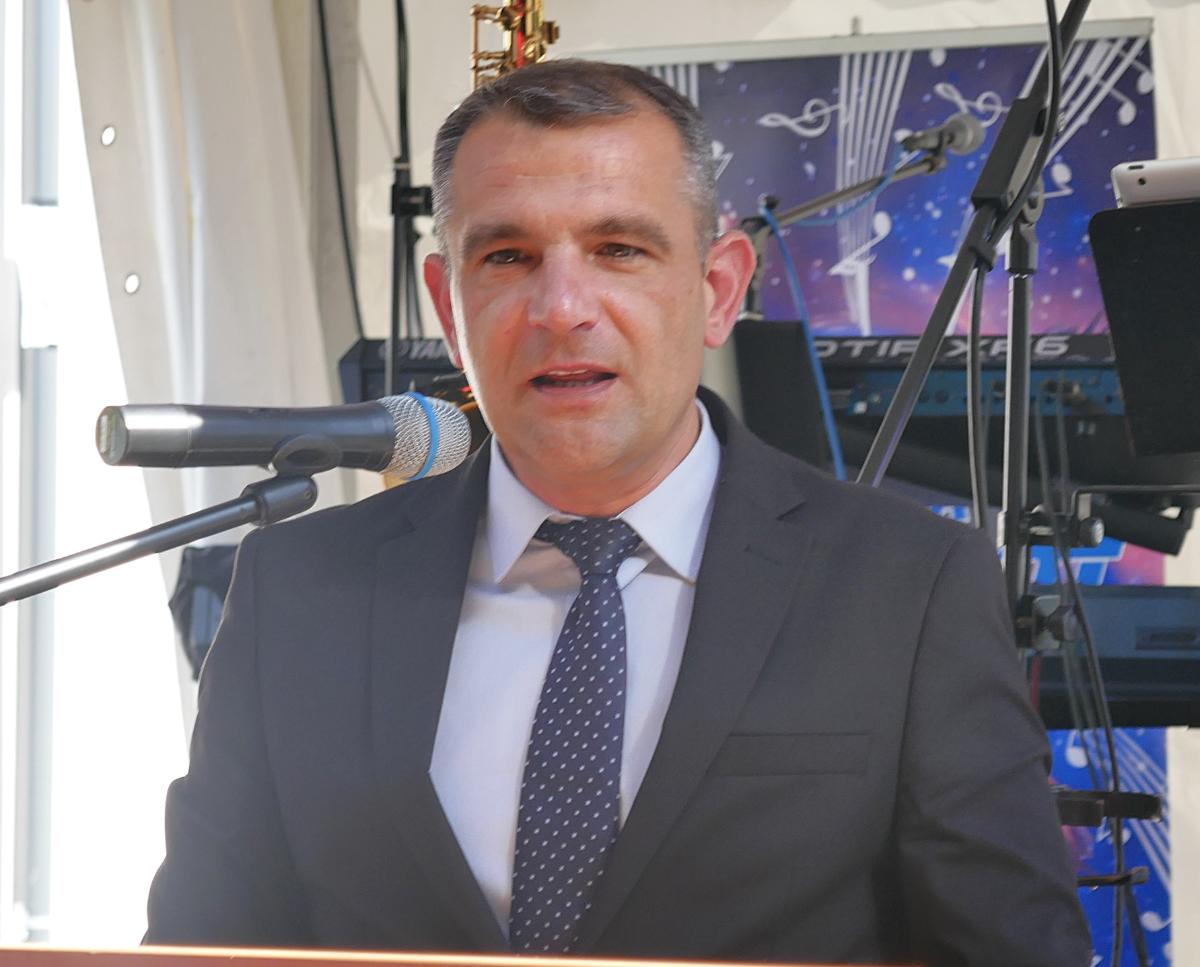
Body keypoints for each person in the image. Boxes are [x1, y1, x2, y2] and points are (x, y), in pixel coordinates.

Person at [146, 60, 1092, 965]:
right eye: (508, 256)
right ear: (448, 303)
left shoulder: (908, 589)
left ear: (719, 288)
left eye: (619, 250)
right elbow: (201, 947)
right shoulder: (298, 590)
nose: (562, 307)